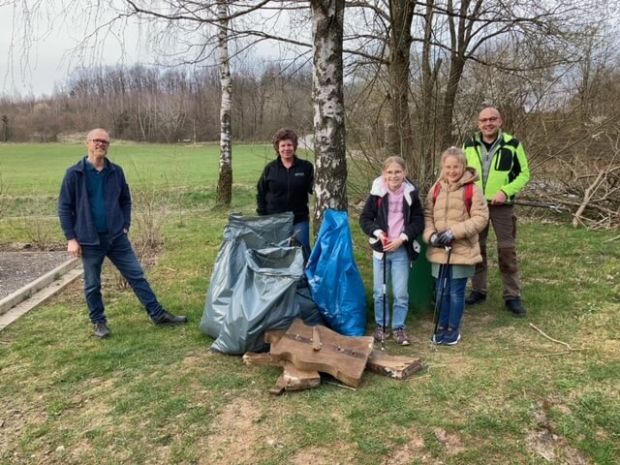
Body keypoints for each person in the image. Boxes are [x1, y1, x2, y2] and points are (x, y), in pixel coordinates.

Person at [58, 128, 187, 339]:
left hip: (117, 238)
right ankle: (99, 322)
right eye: (96, 141)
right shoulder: (74, 174)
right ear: (87, 143)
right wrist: (71, 238)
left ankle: (157, 314)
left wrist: (125, 224)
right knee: (92, 284)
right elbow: (64, 207)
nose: (101, 144)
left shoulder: (115, 172)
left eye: (105, 142)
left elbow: (125, 200)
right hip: (90, 240)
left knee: (137, 276)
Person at [463, 106, 531, 317]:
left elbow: (524, 174)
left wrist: (505, 190)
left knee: (507, 250)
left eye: (493, 119)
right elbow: (460, 172)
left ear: (500, 121)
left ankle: (512, 296)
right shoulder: (468, 144)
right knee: (477, 249)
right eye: (484, 120)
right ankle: (478, 291)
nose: (488, 123)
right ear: (478, 123)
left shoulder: (512, 144)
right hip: (476, 206)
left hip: (502, 207)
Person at [424, 147, 489, 345]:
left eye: (456, 166)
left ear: (463, 166)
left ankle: (453, 328)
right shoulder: (436, 188)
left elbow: (481, 218)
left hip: (462, 249)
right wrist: (432, 236)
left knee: (455, 290)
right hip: (439, 249)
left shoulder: (472, 189)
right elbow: (427, 215)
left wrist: (454, 232)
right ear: (443, 167)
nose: (452, 171)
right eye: (448, 167)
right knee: (441, 290)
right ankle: (442, 326)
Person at [360, 156, 425, 346]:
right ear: (383, 174)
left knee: (400, 292)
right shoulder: (377, 194)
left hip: (401, 251)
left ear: (404, 173)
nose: (394, 176)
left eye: (398, 172)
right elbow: (364, 219)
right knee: (379, 292)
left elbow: (419, 221)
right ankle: (381, 325)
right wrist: (378, 233)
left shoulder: (411, 194)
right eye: (389, 172)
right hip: (381, 251)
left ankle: (399, 327)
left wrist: (402, 238)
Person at [257, 128, 314, 258]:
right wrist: (262, 216)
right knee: (278, 252)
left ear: (294, 146)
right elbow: (261, 192)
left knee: (303, 249)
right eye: (282, 145)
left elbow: (314, 188)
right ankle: (281, 277)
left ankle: (305, 278)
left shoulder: (306, 167)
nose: (286, 148)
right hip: (274, 219)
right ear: (277, 147)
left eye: (289, 145)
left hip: (299, 219)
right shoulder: (270, 169)